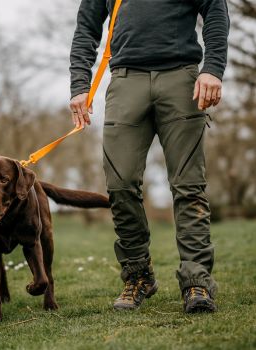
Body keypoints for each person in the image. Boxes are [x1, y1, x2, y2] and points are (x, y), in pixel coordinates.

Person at [69, 0, 229, 312]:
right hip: (126, 80)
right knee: (120, 184)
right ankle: (138, 276)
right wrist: (78, 86)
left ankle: (196, 281)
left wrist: (213, 69)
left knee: (188, 185)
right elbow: (86, 28)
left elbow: (215, 10)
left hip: (182, 78)